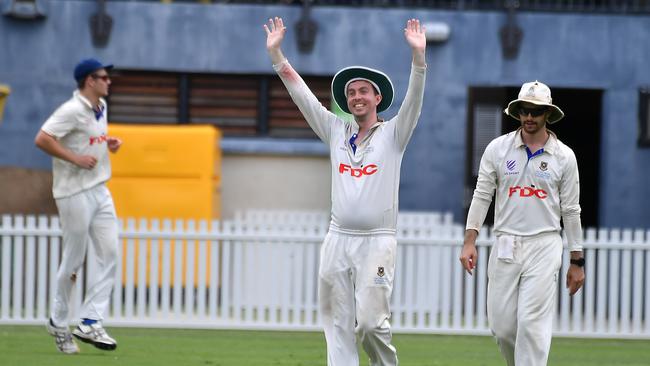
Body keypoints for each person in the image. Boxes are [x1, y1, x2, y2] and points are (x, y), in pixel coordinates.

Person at [264, 17, 426, 366]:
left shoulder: (394, 134)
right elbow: (303, 97)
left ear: (377, 98)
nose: (356, 97)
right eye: (351, 93)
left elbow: (414, 99)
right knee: (336, 323)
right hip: (337, 237)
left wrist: (418, 59)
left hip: (377, 240)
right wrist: (277, 55)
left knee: (368, 324)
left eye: (363, 91)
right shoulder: (336, 131)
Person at [459, 81, 586, 365]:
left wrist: (577, 261)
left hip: (544, 244)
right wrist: (469, 241)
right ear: (517, 112)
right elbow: (482, 196)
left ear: (548, 115)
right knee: (502, 328)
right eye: (524, 111)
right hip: (506, 241)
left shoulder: (564, 157)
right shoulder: (498, 149)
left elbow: (571, 210)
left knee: (531, 326)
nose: (530, 117)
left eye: (536, 111)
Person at [35, 58, 122, 354]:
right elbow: (42, 139)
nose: (108, 81)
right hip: (73, 192)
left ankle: (89, 321)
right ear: (89, 81)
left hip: (99, 188)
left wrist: (106, 142)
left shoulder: (101, 107)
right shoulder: (71, 110)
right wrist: (76, 159)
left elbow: (86, 138)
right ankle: (58, 323)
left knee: (110, 253)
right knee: (73, 261)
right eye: (104, 77)